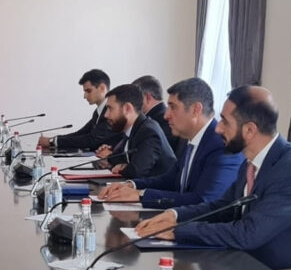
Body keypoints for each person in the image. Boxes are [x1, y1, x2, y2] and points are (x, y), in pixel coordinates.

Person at [135, 86, 291, 270]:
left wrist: (177, 230)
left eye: (225, 122)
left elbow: (248, 233)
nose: (218, 129)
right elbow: (223, 207)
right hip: (247, 262)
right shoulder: (251, 161)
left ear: (250, 130)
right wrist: (175, 215)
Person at [99, 78, 243, 208]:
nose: (166, 115)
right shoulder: (192, 139)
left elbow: (203, 200)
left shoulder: (221, 145)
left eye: (173, 107)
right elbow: (170, 180)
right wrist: (131, 185)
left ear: (196, 110)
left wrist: (141, 195)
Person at [95, 84, 176, 179]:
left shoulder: (148, 131)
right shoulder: (133, 129)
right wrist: (109, 160)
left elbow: (136, 171)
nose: (106, 115)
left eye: (110, 108)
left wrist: (123, 167)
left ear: (127, 108)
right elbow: (119, 158)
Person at [37, 69, 122, 151]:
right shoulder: (98, 112)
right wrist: (53, 140)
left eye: (88, 91)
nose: (85, 96)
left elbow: (91, 140)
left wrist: (52, 142)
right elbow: (81, 133)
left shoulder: (111, 113)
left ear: (102, 88)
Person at [131, 75, 184, 155]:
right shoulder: (157, 117)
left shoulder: (163, 121)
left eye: (134, 99)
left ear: (147, 98)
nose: (132, 104)